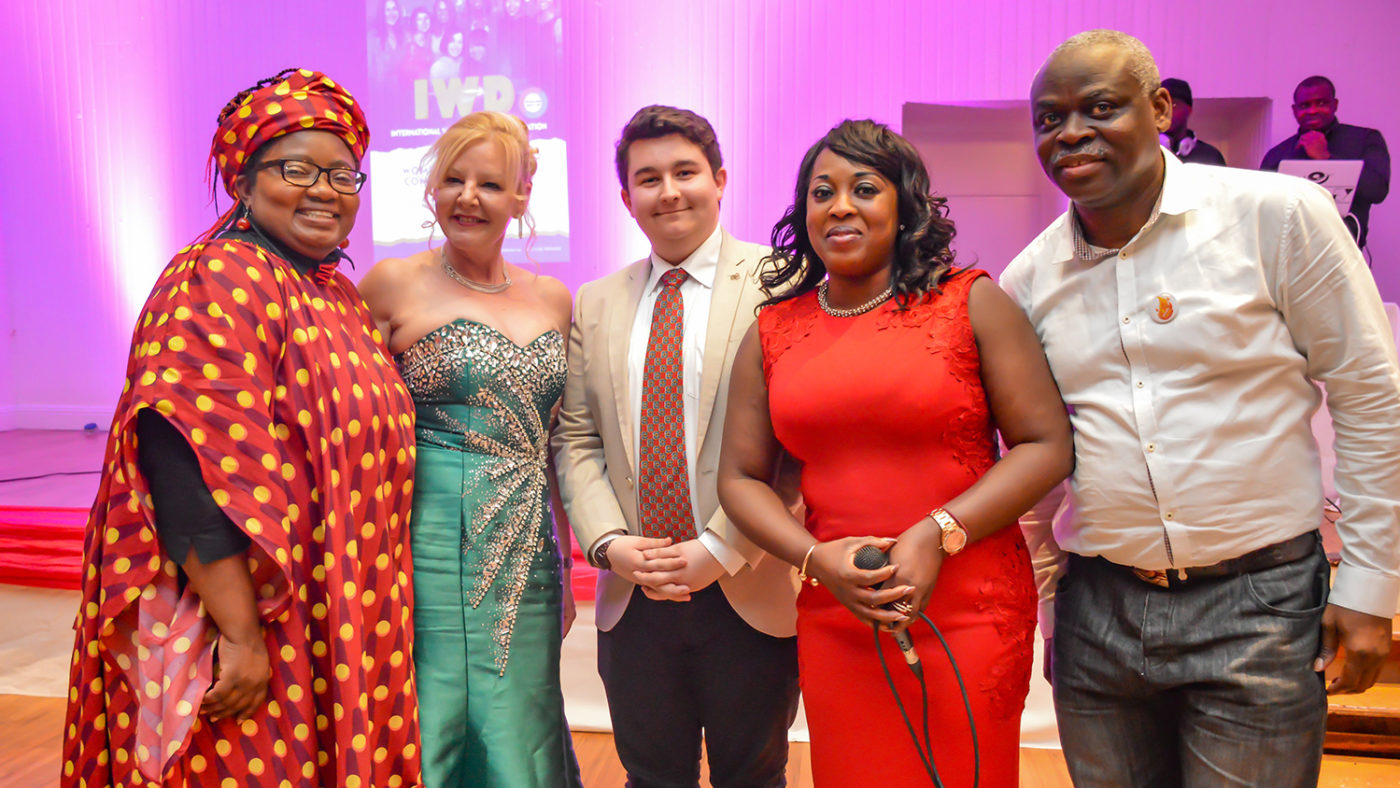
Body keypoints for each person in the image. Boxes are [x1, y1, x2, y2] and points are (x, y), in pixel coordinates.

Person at [1004, 30, 1400, 787]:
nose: (1071, 132)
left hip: (1259, 606)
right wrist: (1053, 608)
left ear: (1160, 109)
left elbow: (1369, 395)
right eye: (1048, 119)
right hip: (1100, 609)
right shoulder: (1030, 280)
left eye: (1099, 107)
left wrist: (1372, 583)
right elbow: (1040, 460)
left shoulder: (1278, 216)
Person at [61, 69, 423, 787]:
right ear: (244, 182)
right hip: (250, 630)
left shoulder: (333, 294)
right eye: (296, 169)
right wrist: (243, 638)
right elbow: (179, 467)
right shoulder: (216, 275)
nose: (324, 190)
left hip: (337, 615)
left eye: (342, 174)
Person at [716, 119, 1073, 786]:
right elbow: (738, 479)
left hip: (970, 610)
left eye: (865, 188)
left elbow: (1047, 445)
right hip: (838, 611)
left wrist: (938, 535)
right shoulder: (774, 329)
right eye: (822, 192)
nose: (841, 205)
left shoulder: (972, 302)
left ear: (905, 205)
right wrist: (814, 556)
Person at [552, 105, 800, 787]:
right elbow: (577, 438)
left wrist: (719, 549)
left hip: (747, 584)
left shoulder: (783, 283)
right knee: (651, 777)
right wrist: (609, 545)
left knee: (753, 775)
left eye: (685, 172)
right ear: (626, 198)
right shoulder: (598, 301)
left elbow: (795, 441)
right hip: (635, 593)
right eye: (648, 178)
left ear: (720, 180)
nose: (669, 191)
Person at [359, 111, 581, 787]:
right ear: (432, 190)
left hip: (529, 555)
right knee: (438, 711)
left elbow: (557, 442)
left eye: (489, 183)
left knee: (524, 714)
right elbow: (352, 427)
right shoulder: (390, 284)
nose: (468, 197)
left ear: (520, 197)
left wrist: (567, 560)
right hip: (421, 548)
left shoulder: (554, 298)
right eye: (453, 179)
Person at [1261, 75, 1391, 247]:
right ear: (1294, 110)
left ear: (1335, 105)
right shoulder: (1277, 154)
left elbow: (1378, 191)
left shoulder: (1365, 139)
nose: (1313, 110)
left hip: (1344, 251)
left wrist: (1325, 158)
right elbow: (1264, 208)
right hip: (1290, 254)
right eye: (1304, 105)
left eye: (1321, 103)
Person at [1159, 78, 1226, 165]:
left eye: (1174, 105)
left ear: (1189, 110)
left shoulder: (1211, 156)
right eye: (1162, 106)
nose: (1166, 111)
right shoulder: (1144, 153)